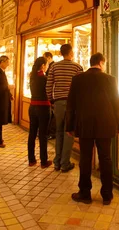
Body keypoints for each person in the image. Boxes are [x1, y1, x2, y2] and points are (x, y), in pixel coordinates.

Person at [67, 53, 119, 205]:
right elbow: (117, 104)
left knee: (85, 158)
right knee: (105, 159)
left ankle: (85, 193)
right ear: (100, 63)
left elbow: (71, 104)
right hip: (106, 124)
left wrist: (69, 126)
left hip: (84, 124)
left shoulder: (78, 79)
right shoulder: (110, 80)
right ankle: (107, 195)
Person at [46, 44, 83, 172]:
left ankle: (57, 162)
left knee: (59, 132)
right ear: (71, 52)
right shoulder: (77, 67)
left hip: (58, 103)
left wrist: (51, 100)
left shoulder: (54, 66)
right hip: (71, 104)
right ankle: (65, 163)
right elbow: (80, 87)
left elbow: (49, 85)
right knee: (69, 133)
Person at [28, 56, 52, 168]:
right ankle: (43, 161)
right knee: (43, 135)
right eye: (46, 65)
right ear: (43, 66)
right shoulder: (44, 78)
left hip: (32, 107)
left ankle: (31, 159)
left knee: (32, 134)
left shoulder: (32, 76)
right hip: (43, 108)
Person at [43, 52, 56, 140]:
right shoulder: (51, 66)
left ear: (49, 58)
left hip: (52, 95)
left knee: (52, 115)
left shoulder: (53, 66)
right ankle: (49, 132)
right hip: (51, 95)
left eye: (45, 58)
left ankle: (51, 132)